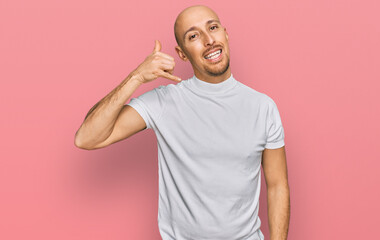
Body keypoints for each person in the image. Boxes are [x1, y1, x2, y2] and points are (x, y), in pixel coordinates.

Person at [74, 4, 290, 240]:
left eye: (213, 27)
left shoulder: (262, 107)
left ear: (225, 34)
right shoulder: (164, 102)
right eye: (194, 36)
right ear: (182, 53)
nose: (209, 40)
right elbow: (86, 138)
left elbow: (278, 185)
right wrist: (136, 77)